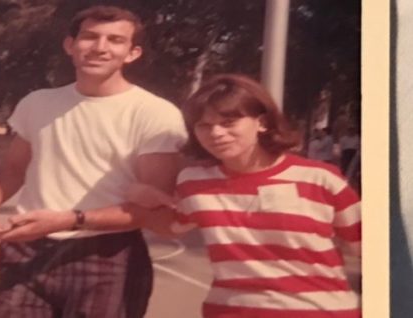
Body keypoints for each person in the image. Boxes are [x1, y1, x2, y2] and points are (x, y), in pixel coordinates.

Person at [0, 5, 186, 318]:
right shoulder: (38, 102)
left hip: (108, 255)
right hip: (27, 249)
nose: (100, 47)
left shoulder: (155, 114)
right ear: (70, 45)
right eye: (90, 37)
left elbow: (151, 208)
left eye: (115, 40)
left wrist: (69, 219)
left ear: (132, 53)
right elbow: (13, 170)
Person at [129, 74, 361, 318]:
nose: (216, 133)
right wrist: (145, 196)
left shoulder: (321, 179)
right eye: (204, 126)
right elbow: (172, 226)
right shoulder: (194, 181)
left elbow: (368, 249)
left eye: (228, 122)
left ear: (261, 123)